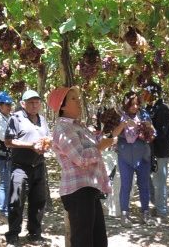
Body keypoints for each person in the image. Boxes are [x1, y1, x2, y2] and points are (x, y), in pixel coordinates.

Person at [49, 86, 115, 247]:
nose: (79, 102)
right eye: (73, 99)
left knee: (99, 240)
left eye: (78, 98)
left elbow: (95, 143)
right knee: (83, 241)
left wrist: (108, 134)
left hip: (89, 187)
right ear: (62, 106)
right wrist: (100, 147)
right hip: (78, 191)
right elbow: (79, 157)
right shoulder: (63, 128)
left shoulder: (79, 126)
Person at [4, 90, 51, 245]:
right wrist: (30, 145)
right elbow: (8, 141)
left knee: (38, 201)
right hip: (20, 167)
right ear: (23, 104)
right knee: (16, 201)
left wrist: (46, 145)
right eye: (30, 102)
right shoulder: (16, 118)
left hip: (39, 165)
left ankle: (35, 233)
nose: (34, 105)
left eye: (37, 102)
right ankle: (13, 234)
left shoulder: (42, 119)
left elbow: (47, 138)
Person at [114, 90, 156, 226]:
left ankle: (145, 213)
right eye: (132, 104)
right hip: (125, 156)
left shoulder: (144, 114)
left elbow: (153, 134)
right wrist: (123, 124)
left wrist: (147, 128)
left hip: (143, 156)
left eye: (137, 104)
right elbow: (113, 134)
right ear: (126, 104)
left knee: (144, 185)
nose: (135, 107)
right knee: (126, 185)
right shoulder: (120, 116)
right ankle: (124, 214)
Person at [142, 80, 169, 220]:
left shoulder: (163, 110)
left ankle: (162, 210)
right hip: (150, 151)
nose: (143, 95)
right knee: (148, 179)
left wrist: (150, 129)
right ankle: (157, 204)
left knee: (160, 181)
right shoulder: (149, 110)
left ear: (153, 93)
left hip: (161, 151)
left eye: (146, 92)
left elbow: (161, 133)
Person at [0, 91, 14, 218]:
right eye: (7, 104)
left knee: (10, 182)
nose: (9, 107)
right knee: (5, 183)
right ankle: (3, 210)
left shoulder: (9, 117)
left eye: (10, 104)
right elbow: (3, 137)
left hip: (11, 155)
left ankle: (7, 207)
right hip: (3, 156)